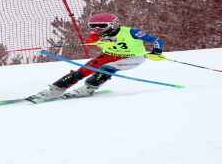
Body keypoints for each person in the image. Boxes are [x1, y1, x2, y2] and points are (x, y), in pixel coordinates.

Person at [28, 13, 164, 102]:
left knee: (106, 68)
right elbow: (91, 42)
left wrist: (156, 52)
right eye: (93, 26)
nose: (97, 29)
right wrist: (100, 41)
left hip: (133, 57)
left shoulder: (131, 32)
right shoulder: (96, 35)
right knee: (83, 70)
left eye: (102, 26)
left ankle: (89, 87)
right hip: (110, 55)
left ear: (113, 24)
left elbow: (156, 40)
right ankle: (55, 89)